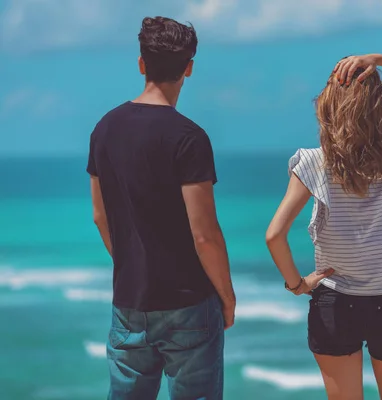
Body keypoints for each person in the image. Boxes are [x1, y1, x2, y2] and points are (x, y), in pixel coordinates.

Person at [266, 54, 382, 400]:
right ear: (380, 103)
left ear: (328, 107)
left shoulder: (314, 162)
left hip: (334, 303)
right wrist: (378, 58)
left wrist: (297, 284)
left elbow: (274, 235)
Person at [87, 16, 235, 400]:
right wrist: (227, 296)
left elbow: (100, 216)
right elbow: (205, 234)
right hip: (189, 303)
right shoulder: (189, 138)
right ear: (189, 68)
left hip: (130, 302)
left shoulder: (104, 129)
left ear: (141, 64)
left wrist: (133, 266)